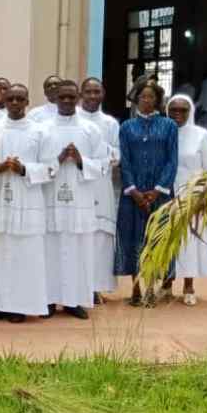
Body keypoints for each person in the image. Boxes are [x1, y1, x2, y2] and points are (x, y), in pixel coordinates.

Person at [0, 84, 52, 323]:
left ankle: (21, 305)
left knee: (26, 253)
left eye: (19, 99)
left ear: (27, 101)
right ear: (4, 101)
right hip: (0, 197)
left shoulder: (40, 131)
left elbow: (50, 167)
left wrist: (24, 169)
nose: (15, 103)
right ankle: (1, 304)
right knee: (2, 252)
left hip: (28, 198)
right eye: (11, 98)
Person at [42, 80, 107, 319]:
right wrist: (58, 160)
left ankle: (74, 301)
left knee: (78, 250)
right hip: (51, 198)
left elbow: (103, 165)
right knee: (50, 250)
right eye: (63, 97)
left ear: (78, 97)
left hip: (80, 199)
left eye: (71, 97)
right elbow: (38, 166)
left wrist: (81, 161)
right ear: (55, 98)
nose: (67, 101)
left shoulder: (91, 130)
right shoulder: (44, 129)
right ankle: (49, 300)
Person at [115, 82, 178, 307]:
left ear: (158, 100)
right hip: (133, 194)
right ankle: (135, 288)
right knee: (134, 238)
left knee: (156, 239)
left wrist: (158, 190)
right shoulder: (127, 127)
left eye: (151, 97)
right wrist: (133, 190)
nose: (147, 100)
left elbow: (172, 160)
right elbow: (124, 160)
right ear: (136, 99)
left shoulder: (169, 126)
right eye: (143, 96)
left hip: (159, 194)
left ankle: (151, 288)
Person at [166, 94, 207, 306]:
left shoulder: (201, 135)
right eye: (173, 110)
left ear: (191, 112)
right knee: (168, 241)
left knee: (190, 242)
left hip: (193, 196)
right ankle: (166, 284)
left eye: (183, 110)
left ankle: (188, 286)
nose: (177, 114)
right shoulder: (163, 133)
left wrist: (205, 196)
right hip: (166, 195)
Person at [78, 78, 120, 302]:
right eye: (88, 91)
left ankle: (95, 287)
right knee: (78, 234)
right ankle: (76, 285)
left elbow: (116, 155)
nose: (93, 96)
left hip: (101, 185)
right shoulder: (72, 119)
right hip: (77, 183)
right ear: (81, 94)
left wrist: (97, 150)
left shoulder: (110, 123)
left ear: (103, 94)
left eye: (97, 92)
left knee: (100, 236)